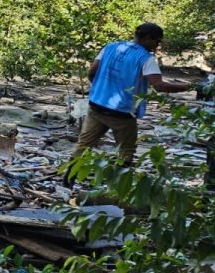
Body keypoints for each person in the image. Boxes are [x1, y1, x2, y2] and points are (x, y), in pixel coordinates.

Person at [67, 23, 193, 182]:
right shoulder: (146, 58)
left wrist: (101, 89)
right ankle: (119, 184)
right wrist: (190, 87)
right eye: (157, 41)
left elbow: (92, 72)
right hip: (121, 112)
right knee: (126, 150)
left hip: (96, 105)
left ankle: (69, 179)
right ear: (148, 38)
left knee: (84, 144)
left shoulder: (111, 47)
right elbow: (159, 86)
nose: (157, 46)